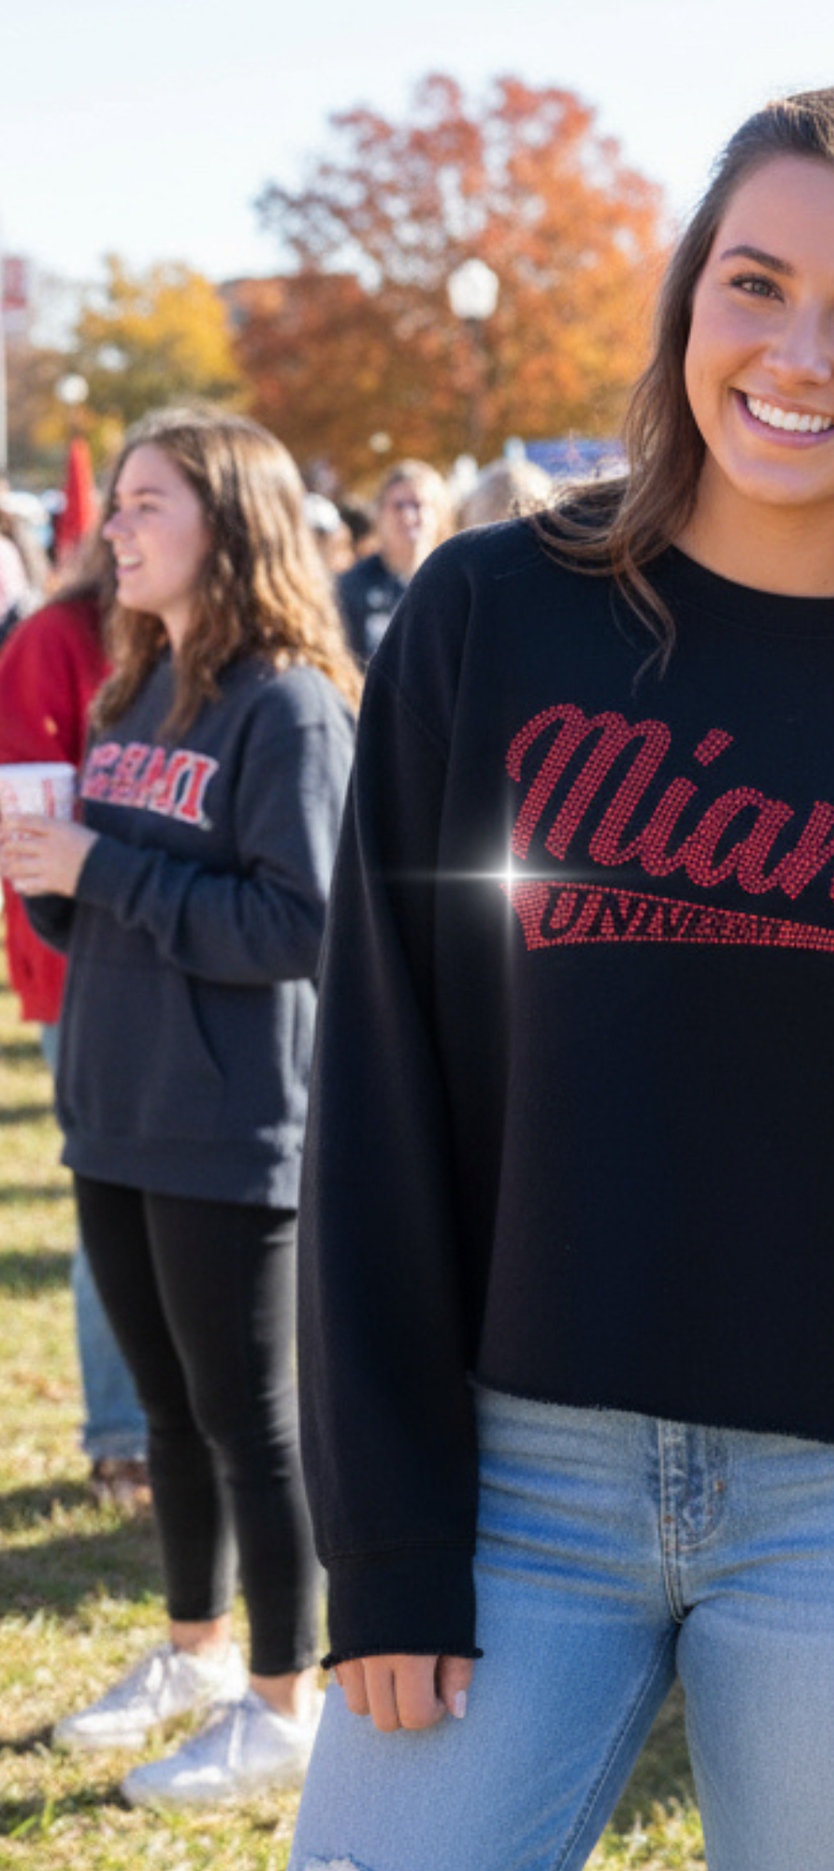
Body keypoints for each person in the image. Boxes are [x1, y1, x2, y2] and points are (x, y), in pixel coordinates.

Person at [290, 85, 834, 1871]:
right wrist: (386, 1535)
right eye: (755, 282)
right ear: (691, 297)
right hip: (517, 1473)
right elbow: (379, 1091)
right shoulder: (487, 618)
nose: (797, 352)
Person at [0, 408, 360, 1808]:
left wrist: (103, 868)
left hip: (230, 1119)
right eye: (120, 503)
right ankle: (196, 1651)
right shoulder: (133, 687)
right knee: (164, 1409)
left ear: (232, 522)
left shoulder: (289, 703)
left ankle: (287, 1699)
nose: (115, 528)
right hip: (117, 1099)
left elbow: (298, 921)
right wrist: (48, 871)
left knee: (249, 1419)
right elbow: (116, 899)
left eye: (148, 503)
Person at [0, 532, 151, 1507]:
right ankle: (121, 1433)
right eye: (127, 509)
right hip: (82, 960)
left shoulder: (209, 640)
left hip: (192, 964)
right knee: (112, 1196)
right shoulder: (59, 635)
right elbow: (27, 817)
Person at [335, 459, 453, 663]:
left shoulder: (455, 583)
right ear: (379, 515)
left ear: (439, 513)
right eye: (398, 506)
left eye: (418, 504)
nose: (408, 516)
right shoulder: (351, 587)